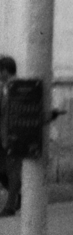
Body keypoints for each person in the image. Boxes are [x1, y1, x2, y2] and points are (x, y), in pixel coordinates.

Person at [0, 55, 20, 217]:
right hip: (3, 136)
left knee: (13, 171)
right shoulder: (4, 88)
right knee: (3, 171)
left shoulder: (18, 88)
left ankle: (10, 205)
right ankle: (18, 196)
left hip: (13, 136)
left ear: (5, 71)